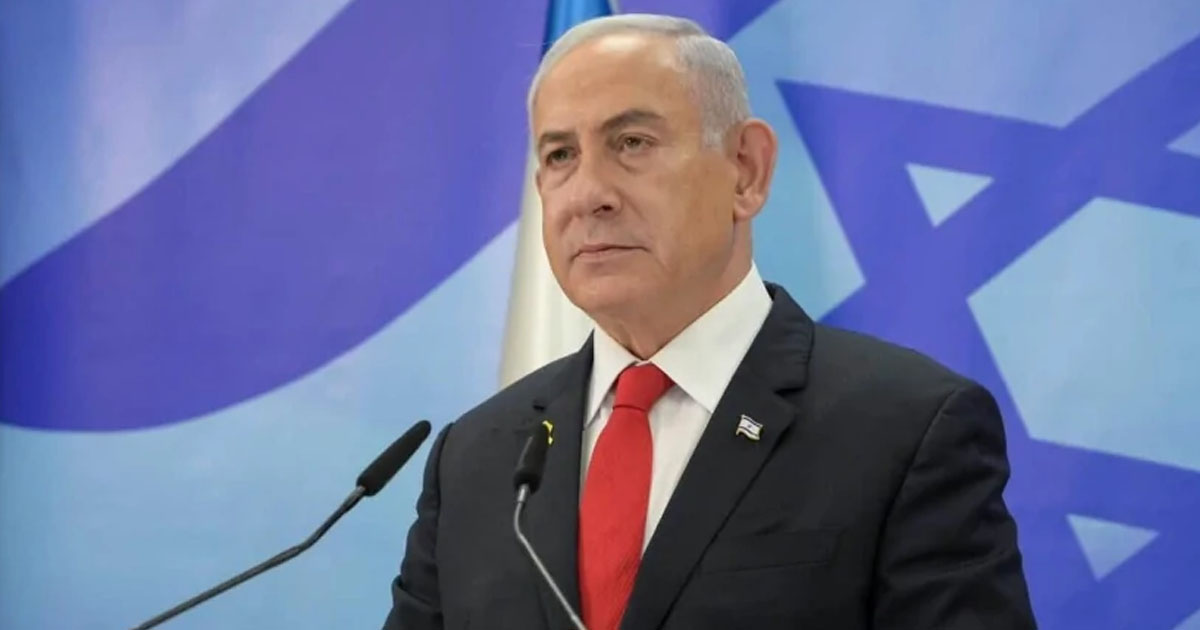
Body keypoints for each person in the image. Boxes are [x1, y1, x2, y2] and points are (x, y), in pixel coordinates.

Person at [383, 13, 1036, 630]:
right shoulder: (476, 459)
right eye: (559, 156)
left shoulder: (907, 430)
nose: (587, 194)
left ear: (745, 170)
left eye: (631, 143)